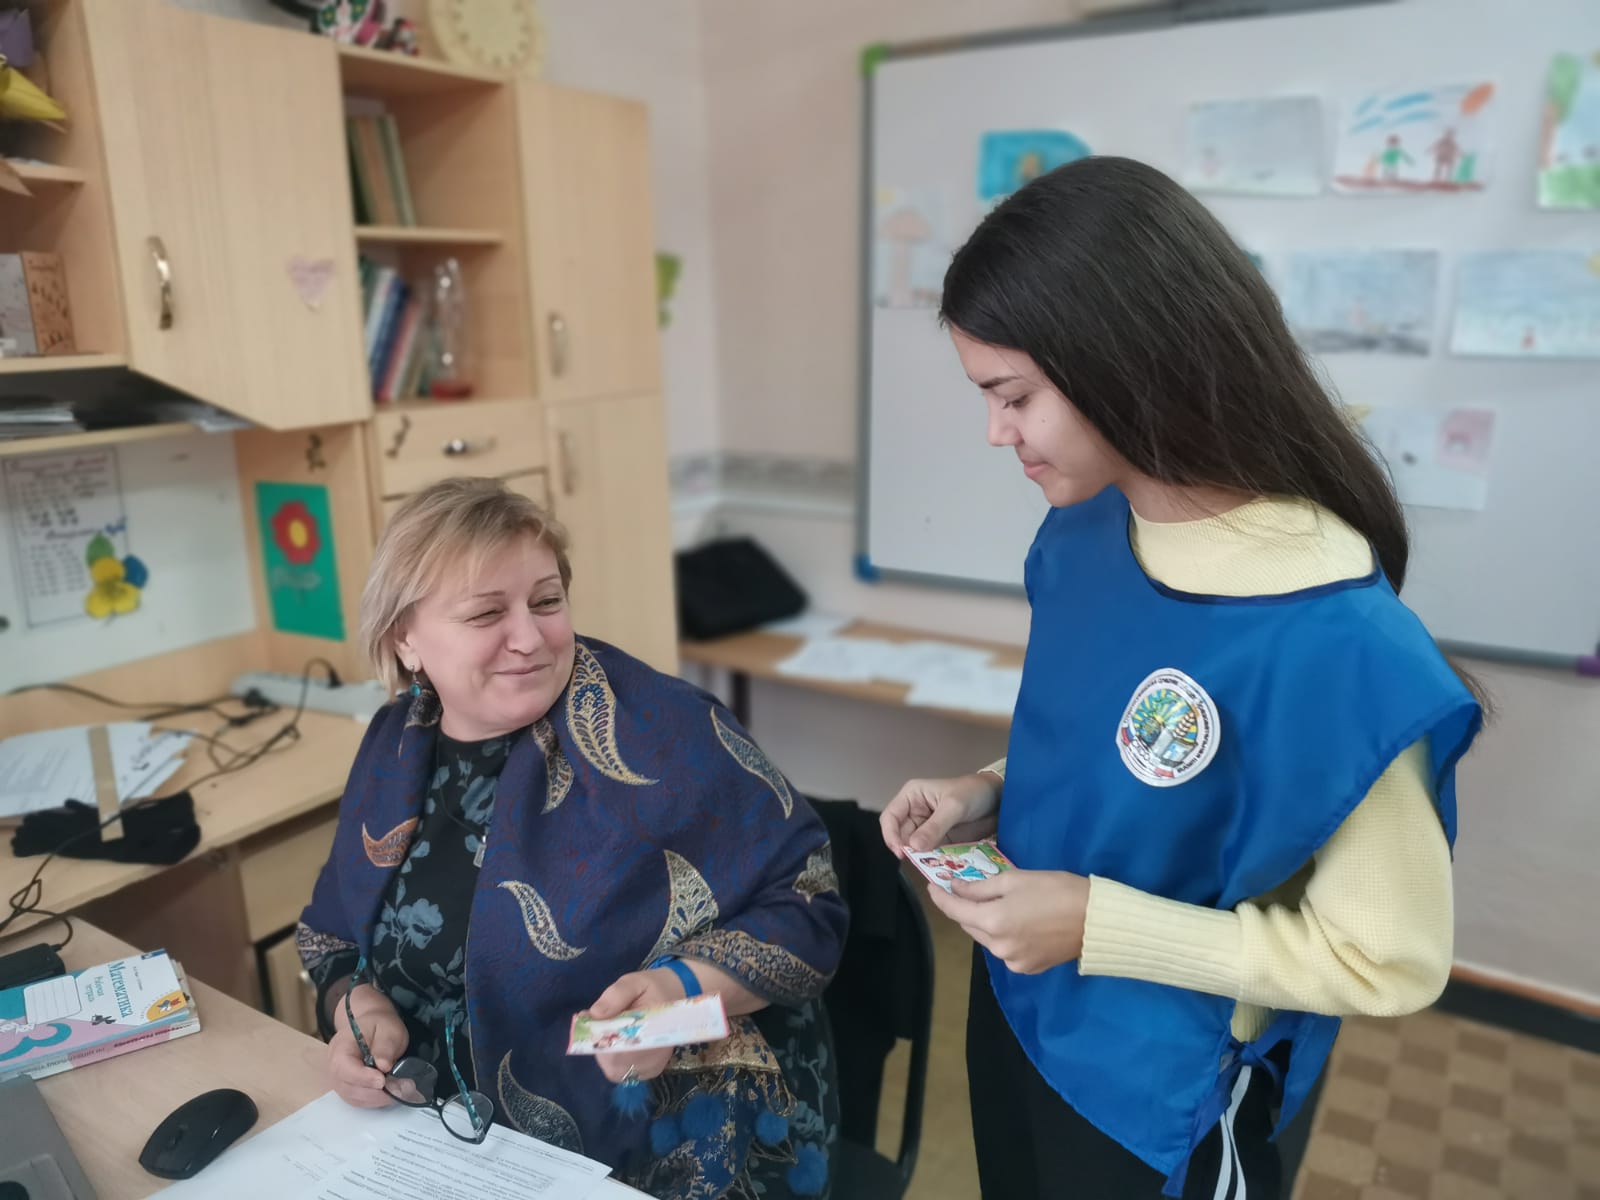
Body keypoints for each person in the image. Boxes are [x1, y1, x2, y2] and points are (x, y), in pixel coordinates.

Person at [879, 157, 1482, 1200]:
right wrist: (990, 791)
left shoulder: (1336, 641)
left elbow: (1390, 959)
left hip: (1162, 1087)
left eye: (1014, 397)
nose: (995, 432)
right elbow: (1125, 752)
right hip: (1026, 1005)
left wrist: (1096, 925)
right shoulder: (1085, 532)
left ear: (1124, 363)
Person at [298, 477, 846, 1199]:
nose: (529, 638)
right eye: (486, 613)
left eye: (547, 602)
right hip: (437, 1141)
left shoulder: (665, 734)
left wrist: (676, 995)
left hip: (657, 1145)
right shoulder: (393, 744)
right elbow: (332, 939)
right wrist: (358, 1011)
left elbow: (809, 907)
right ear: (405, 639)